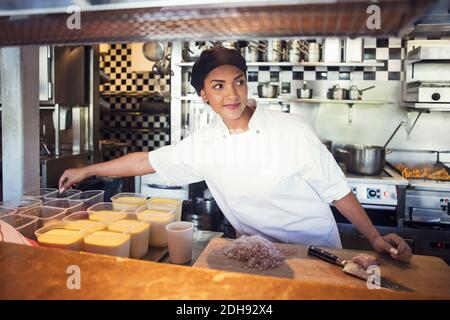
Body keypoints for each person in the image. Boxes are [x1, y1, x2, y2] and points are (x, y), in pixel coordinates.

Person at [59, 46, 412, 261]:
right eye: (218, 86)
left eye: (238, 81)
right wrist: (89, 170)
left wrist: (375, 238)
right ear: (203, 96)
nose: (232, 94)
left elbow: (337, 191)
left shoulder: (291, 130)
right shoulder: (206, 142)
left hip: (314, 252)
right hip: (255, 252)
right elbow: (146, 161)